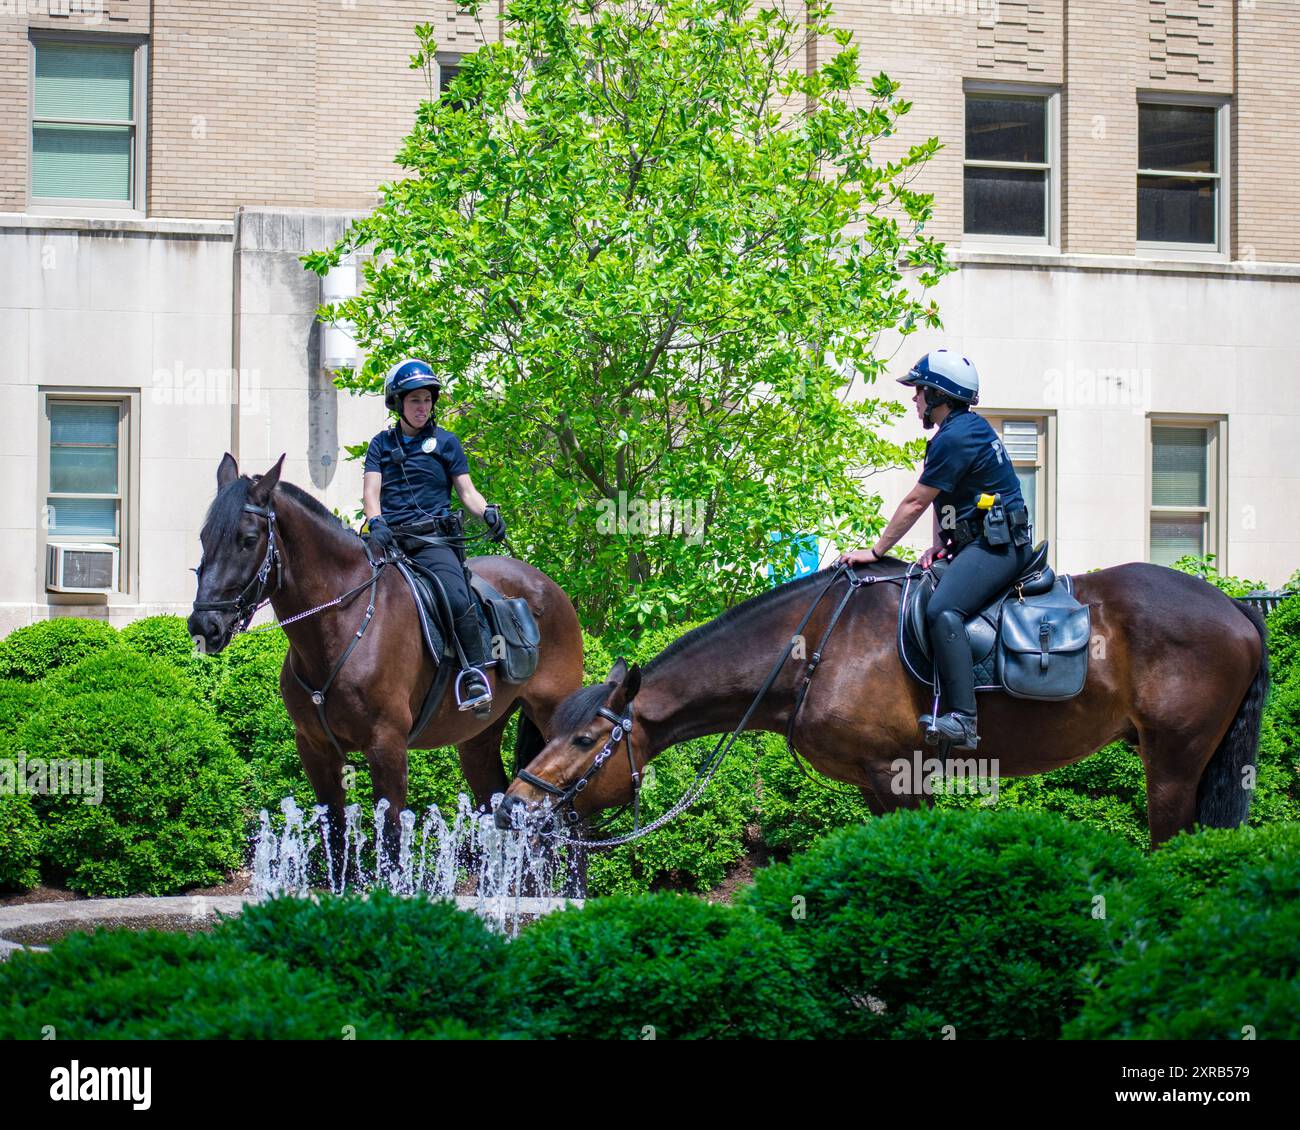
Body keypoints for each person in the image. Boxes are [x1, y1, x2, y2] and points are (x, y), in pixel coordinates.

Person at [836, 350, 1033, 750]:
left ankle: (963, 718)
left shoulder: (956, 437)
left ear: (938, 393)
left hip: (999, 547)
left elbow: (916, 502)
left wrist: (876, 552)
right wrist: (942, 545)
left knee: (944, 610)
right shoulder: (959, 432)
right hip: (979, 542)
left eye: (918, 391)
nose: (914, 399)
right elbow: (952, 500)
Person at [362, 358, 508, 713]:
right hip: (388, 540)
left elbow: (467, 492)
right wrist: (375, 521)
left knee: (458, 598)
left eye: (427, 400)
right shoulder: (380, 445)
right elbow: (370, 493)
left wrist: (487, 511)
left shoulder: (446, 443)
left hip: (433, 543)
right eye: (414, 400)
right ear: (397, 403)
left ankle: (473, 675)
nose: (422, 407)